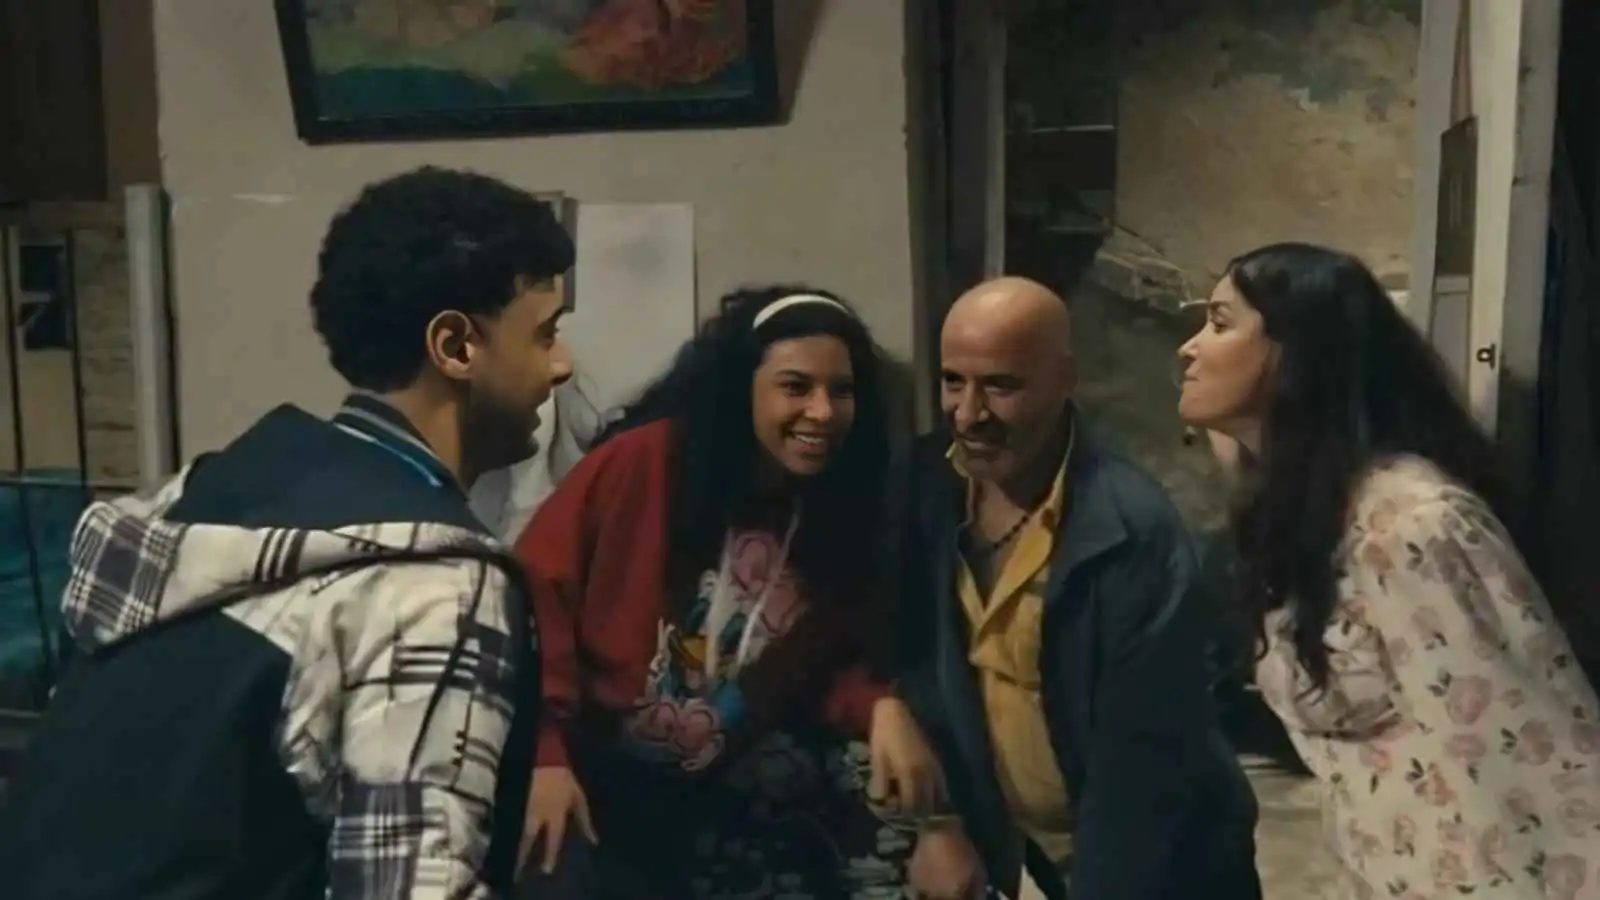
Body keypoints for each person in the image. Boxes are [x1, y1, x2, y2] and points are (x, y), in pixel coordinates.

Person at [0, 167, 575, 900]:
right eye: (545, 334)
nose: (562, 366)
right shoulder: (434, 586)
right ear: (455, 345)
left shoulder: (196, 493)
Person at [1178, 242, 1600, 899]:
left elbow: (1540, 758)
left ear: (1297, 354)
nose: (1189, 348)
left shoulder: (1410, 526)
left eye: (1220, 322)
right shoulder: (1309, 515)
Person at [511, 287, 943, 899]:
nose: (822, 412)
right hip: (587, 773)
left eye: (841, 391)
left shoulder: (844, 508)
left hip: (706, 796)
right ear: (744, 388)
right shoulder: (645, 462)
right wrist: (545, 756)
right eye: (795, 387)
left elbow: (828, 657)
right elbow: (530, 601)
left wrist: (879, 706)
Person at [899, 277, 1261, 900]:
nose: (968, 413)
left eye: (1001, 386)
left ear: (1065, 378)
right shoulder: (927, 486)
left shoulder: (1131, 531)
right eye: (953, 381)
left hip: (1171, 865)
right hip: (1045, 852)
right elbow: (915, 658)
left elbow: (1142, 774)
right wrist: (941, 821)